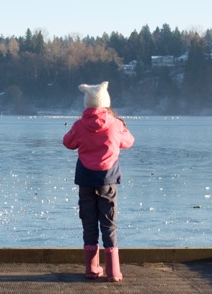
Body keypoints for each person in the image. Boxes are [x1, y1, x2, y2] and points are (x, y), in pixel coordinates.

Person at [62, 81, 135, 282]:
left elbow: (68, 143)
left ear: (88, 104)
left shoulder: (79, 125)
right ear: (105, 103)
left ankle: (92, 268)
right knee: (109, 223)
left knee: (89, 222)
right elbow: (129, 141)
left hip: (86, 179)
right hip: (108, 180)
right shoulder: (116, 124)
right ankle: (113, 271)